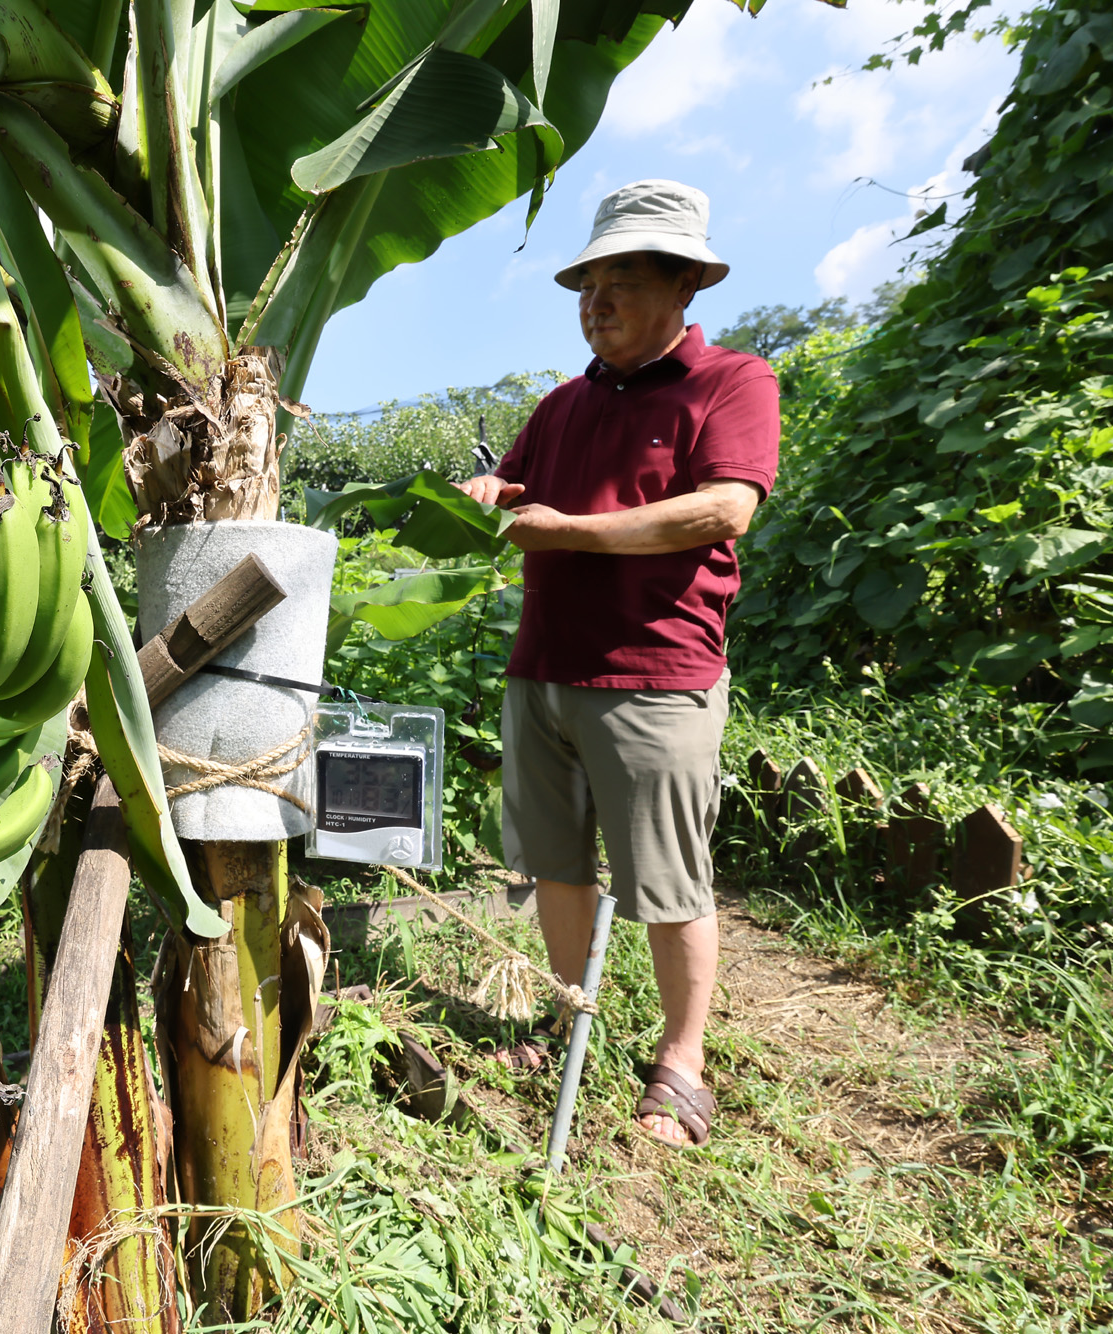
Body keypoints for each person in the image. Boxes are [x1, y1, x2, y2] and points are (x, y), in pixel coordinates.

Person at [457, 180, 779, 1149]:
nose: (595, 303)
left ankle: (680, 1063)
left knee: (666, 879)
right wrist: (482, 493)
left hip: (655, 670)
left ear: (682, 284)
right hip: (542, 665)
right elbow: (512, 493)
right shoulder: (560, 405)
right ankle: (568, 1020)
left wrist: (573, 532)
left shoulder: (729, 382)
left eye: (621, 282)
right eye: (586, 285)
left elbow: (723, 508)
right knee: (554, 863)